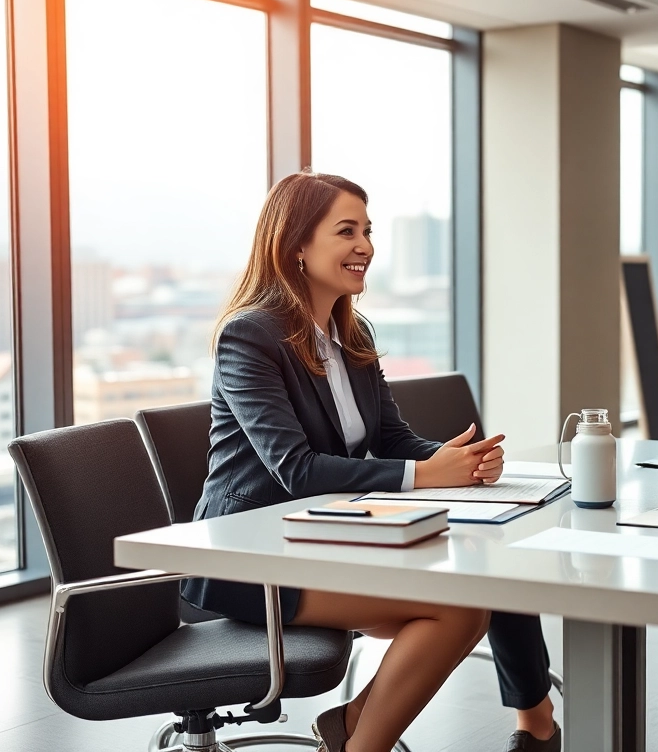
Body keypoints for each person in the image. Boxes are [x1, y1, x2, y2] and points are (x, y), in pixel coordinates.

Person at [181, 172, 558, 752]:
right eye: (347, 231)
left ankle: (366, 728)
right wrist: (428, 475)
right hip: (255, 559)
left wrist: (455, 459)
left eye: (368, 231)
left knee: (483, 567)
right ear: (297, 246)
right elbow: (296, 469)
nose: (366, 246)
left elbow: (391, 437)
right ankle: (362, 741)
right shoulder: (249, 336)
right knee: (457, 610)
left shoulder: (349, 333)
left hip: (328, 539)